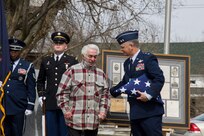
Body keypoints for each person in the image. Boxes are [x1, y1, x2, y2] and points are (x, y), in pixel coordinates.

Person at [110, 30, 165, 136]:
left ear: (131, 45)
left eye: (122, 47)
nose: (121, 50)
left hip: (150, 111)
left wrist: (148, 95)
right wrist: (111, 92)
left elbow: (159, 78)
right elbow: (125, 82)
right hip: (135, 111)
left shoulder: (147, 58)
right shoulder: (127, 63)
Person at [56, 44, 110, 136]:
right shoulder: (72, 71)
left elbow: (105, 96)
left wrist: (103, 112)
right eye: (90, 56)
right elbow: (62, 93)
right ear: (83, 56)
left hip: (93, 121)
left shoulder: (101, 74)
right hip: (74, 120)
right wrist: (66, 110)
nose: (93, 59)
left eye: (95, 56)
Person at [37, 31, 78, 136]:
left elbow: (77, 82)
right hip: (50, 101)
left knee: (64, 132)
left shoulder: (72, 61)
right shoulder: (46, 61)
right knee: (51, 132)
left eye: (61, 43)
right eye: (56, 42)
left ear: (66, 46)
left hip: (66, 103)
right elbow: (40, 80)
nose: (58, 45)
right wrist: (41, 95)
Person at [3, 38, 36, 136]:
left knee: (17, 132)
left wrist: (30, 105)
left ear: (20, 51)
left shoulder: (27, 66)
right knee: (4, 132)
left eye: (16, 51)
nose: (13, 53)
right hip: (4, 105)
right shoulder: (3, 65)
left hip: (19, 106)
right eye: (11, 51)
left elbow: (31, 87)